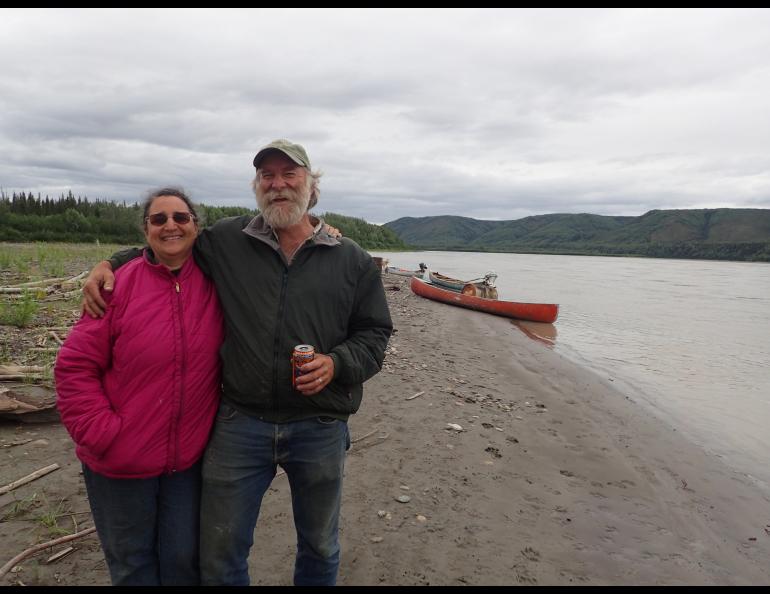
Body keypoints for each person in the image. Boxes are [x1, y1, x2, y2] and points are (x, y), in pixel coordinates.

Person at [82, 139, 393, 586]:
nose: (278, 184)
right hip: (241, 421)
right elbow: (171, 242)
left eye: (290, 174)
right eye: (267, 176)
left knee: (320, 544)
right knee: (221, 549)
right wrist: (108, 262)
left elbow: (375, 333)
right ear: (256, 186)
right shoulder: (229, 240)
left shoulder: (352, 260)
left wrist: (338, 363)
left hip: (320, 424)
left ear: (311, 184)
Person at [55, 189, 223, 586]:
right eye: (158, 219)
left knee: (184, 561)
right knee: (132, 566)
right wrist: (102, 433)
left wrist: (323, 229)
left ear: (196, 226)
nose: (170, 226)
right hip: (120, 461)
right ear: (145, 229)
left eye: (181, 217)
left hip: (188, 462)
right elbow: (74, 366)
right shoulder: (116, 286)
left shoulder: (217, 282)